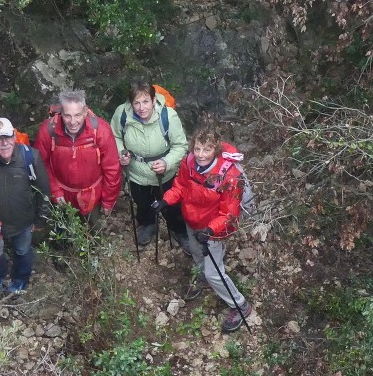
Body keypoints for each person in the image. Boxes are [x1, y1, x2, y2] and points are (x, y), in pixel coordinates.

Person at [153, 119, 254, 333]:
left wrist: (209, 231)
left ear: (215, 149)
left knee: (214, 273)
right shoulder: (189, 163)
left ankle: (240, 305)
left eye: (207, 149)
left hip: (214, 229)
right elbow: (180, 186)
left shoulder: (229, 176)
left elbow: (229, 213)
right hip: (193, 220)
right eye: (197, 148)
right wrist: (165, 200)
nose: (200, 154)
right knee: (197, 254)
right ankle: (201, 276)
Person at [0, 117, 52, 295]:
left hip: (23, 221)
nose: (4, 143)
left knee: (23, 251)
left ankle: (20, 280)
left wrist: (40, 220)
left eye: (8, 137)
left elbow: (44, 191)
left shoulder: (30, 156)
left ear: (15, 136)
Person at [112, 79, 189, 250]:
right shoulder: (122, 115)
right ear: (131, 103)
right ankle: (148, 224)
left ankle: (179, 230)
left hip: (164, 173)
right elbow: (115, 137)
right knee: (142, 202)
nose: (141, 107)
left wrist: (166, 162)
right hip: (136, 172)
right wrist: (121, 153)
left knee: (172, 204)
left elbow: (180, 146)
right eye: (137, 103)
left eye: (146, 101)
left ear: (154, 100)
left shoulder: (168, 116)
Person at [32, 89, 121, 229]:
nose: (73, 122)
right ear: (61, 113)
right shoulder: (49, 131)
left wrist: (108, 201)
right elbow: (41, 165)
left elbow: (112, 168)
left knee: (94, 233)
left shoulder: (100, 130)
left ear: (85, 111)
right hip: (62, 194)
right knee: (64, 234)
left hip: (92, 195)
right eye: (67, 116)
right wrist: (55, 191)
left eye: (78, 115)